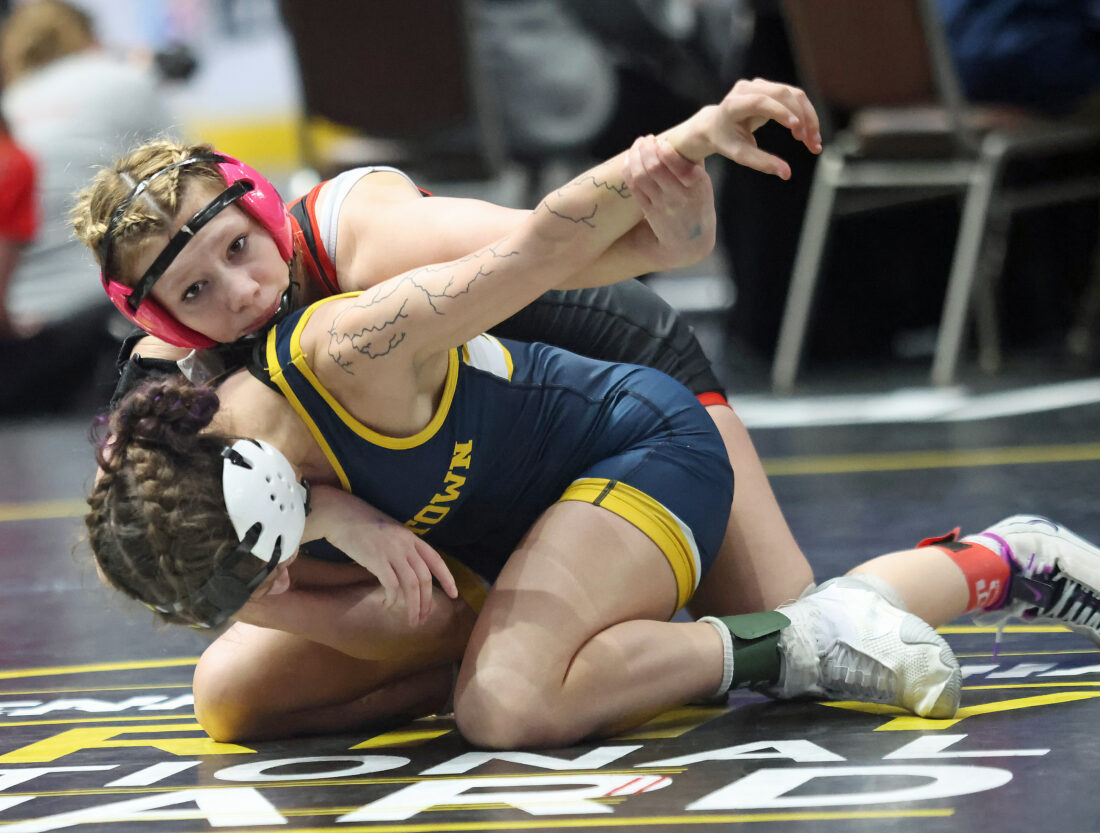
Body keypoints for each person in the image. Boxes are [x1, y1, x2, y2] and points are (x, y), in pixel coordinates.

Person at [80, 78, 1100, 751]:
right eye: (196, 290)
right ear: (157, 321)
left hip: (603, 365)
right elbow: (165, 550)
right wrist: (327, 515)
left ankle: (1003, 561)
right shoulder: (174, 402)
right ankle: (541, 647)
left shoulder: (365, 251)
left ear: (264, 209)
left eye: (238, 249)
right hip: (466, 468)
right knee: (232, 694)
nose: (240, 293)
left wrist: (670, 180)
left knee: (790, 620)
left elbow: (536, 252)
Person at [0, 0, 177, 412]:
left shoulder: (12, 102)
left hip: (19, 328)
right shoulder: (123, 79)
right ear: (89, 38)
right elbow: (189, 182)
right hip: (104, 312)